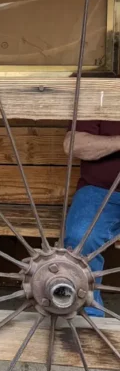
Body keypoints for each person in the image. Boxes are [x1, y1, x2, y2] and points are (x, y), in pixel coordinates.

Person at [63, 121, 120, 316]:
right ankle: (91, 320)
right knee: (81, 237)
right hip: (100, 192)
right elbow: (73, 144)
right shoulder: (100, 94)